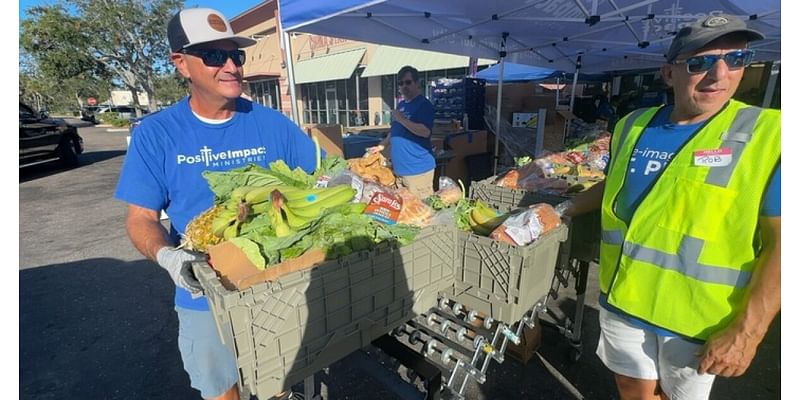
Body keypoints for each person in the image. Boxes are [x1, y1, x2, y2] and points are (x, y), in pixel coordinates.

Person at [556, 14, 780, 400]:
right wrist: (563, 209)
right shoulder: (632, 125)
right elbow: (615, 185)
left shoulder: (771, 136)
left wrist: (748, 332)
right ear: (668, 73)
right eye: (700, 62)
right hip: (622, 298)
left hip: (695, 319)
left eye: (736, 59)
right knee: (632, 391)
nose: (718, 75)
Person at [114, 8, 319, 400]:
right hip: (203, 293)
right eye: (213, 56)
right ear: (182, 64)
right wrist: (169, 257)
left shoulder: (272, 124)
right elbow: (140, 217)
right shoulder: (157, 135)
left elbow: (319, 178)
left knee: (276, 379)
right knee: (222, 390)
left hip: (274, 284)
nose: (230, 66)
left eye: (236, 56)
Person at [369, 65, 436, 199]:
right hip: (399, 172)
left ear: (417, 84)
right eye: (401, 83)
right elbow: (395, 130)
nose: (404, 86)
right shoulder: (401, 105)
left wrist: (401, 119)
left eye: (408, 82)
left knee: (421, 214)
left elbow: (425, 132)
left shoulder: (424, 105)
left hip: (417, 172)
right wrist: (382, 145)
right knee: (405, 214)